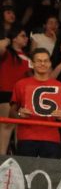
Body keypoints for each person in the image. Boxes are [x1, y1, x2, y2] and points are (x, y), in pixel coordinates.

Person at [9, 48, 61, 158]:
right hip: (26, 136)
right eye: (39, 61)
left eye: (46, 60)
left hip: (52, 137)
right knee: (26, 172)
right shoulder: (20, 84)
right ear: (32, 63)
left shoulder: (60, 86)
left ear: (50, 63)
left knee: (52, 172)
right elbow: (11, 112)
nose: (42, 63)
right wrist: (20, 114)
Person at [0, 26, 30, 155]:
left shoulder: (27, 57)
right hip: (5, 93)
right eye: (22, 35)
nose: (26, 38)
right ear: (14, 38)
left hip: (21, 95)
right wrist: (7, 39)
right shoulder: (6, 52)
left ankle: (19, 159)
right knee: (6, 126)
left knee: (20, 126)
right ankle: (1, 157)